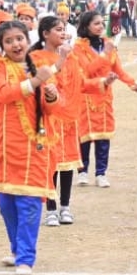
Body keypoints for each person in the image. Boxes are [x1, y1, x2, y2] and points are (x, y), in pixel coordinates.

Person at [0, 20, 59, 275]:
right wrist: (34, 82)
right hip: (5, 147)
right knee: (6, 204)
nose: (15, 44)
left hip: (34, 147)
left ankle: (25, 258)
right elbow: (2, 94)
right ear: (1, 45)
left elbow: (52, 110)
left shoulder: (39, 68)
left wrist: (52, 95)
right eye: (9, 40)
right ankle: (16, 250)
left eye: (19, 39)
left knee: (29, 202)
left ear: (27, 39)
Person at [72, 11, 137, 189]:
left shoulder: (108, 45)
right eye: (96, 23)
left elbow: (118, 69)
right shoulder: (78, 48)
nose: (101, 26)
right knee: (84, 137)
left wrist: (131, 83)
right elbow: (86, 71)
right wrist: (104, 56)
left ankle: (101, 173)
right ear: (86, 26)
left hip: (104, 97)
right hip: (86, 96)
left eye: (102, 23)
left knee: (104, 138)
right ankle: (82, 172)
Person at [31, 16, 85, 227]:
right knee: (50, 162)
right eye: (57, 30)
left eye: (64, 30)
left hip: (69, 118)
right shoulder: (36, 57)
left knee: (67, 165)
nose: (62, 33)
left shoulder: (71, 57)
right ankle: (51, 208)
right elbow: (44, 81)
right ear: (45, 34)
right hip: (50, 117)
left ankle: (65, 207)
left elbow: (78, 83)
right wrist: (61, 60)